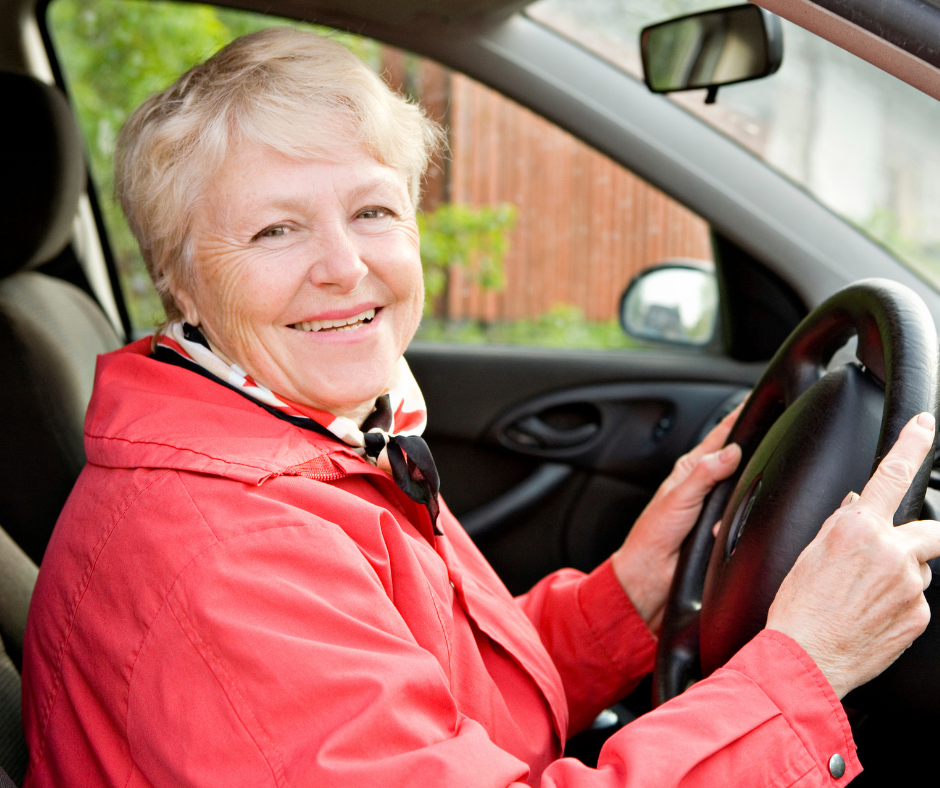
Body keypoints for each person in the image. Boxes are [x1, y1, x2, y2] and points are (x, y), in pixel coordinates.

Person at [20, 27, 940, 787]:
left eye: (374, 212)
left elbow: (435, 699)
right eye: (275, 229)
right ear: (181, 280)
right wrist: (803, 664)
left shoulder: (307, 437)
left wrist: (631, 597)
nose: (347, 266)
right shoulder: (231, 553)